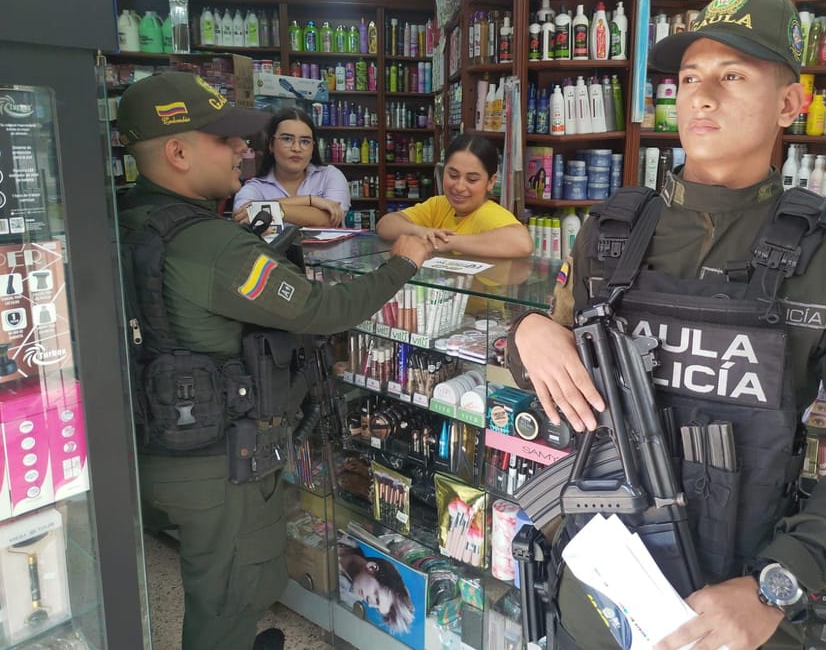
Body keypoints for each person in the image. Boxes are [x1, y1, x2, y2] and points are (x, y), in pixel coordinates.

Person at [507, 0, 826, 650]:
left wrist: (774, 587)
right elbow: (556, 368)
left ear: (790, 102)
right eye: (690, 79)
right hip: (594, 588)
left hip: (731, 613)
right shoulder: (610, 233)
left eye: (732, 77)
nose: (702, 97)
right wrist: (526, 334)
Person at [115, 71, 431, 650]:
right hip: (216, 461)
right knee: (232, 589)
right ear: (178, 151)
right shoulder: (210, 244)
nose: (244, 149)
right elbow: (324, 309)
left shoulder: (120, 218)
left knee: (209, 577)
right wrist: (403, 263)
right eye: (224, 139)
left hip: (146, 442)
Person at [376, 133, 533, 257]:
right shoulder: (439, 205)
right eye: (453, 175)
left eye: (471, 179)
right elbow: (385, 225)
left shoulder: (488, 214)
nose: (459, 187)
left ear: (491, 182)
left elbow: (523, 243)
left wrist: (447, 242)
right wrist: (420, 231)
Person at [232, 107, 349, 227]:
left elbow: (329, 220)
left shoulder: (330, 176)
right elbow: (242, 215)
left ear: (313, 147)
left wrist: (273, 209)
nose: (296, 148)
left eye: (305, 141)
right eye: (287, 139)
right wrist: (310, 201)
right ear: (271, 145)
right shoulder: (254, 188)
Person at [337, 538, 415, 634]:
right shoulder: (347, 538)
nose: (369, 604)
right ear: (372, 568)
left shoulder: (345, 600)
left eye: (376, 607)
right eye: (376, 597)